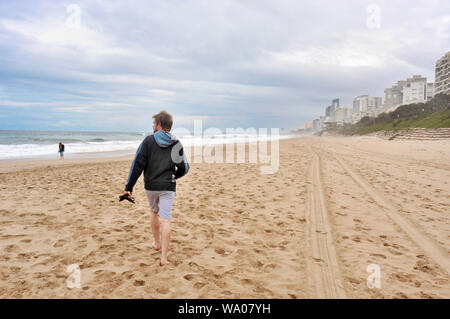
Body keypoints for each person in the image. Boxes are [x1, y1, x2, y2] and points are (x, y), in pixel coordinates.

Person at [123, 110, 189, 266]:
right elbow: (184, 168)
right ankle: (164, 258)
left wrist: (129, 186)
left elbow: (137, 165)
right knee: (165, 220)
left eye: (153, 123)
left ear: (159, 124)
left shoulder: (148, 141)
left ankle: (156, 243)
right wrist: (174, 176)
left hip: (151, 186)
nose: (152, 126)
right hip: (168, 186)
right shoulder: (176, 143)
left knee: (154, 211)